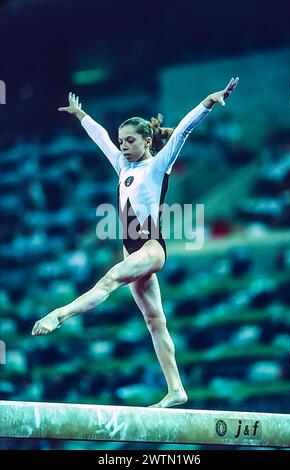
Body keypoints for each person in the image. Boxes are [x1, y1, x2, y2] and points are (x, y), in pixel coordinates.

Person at [32, 77, 239, 407]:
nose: (124, 146)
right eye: (122, 141)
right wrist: (81, 115)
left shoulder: (157, 166)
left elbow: (183, 130)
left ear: (147, 141)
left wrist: (208, 101)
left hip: (151, 248)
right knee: (155, 320)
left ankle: (60, 314)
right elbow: (101, 140)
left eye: (130, 141)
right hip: (132, 249)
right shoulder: (120, 165)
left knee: (110, 278)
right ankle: (176, 390)